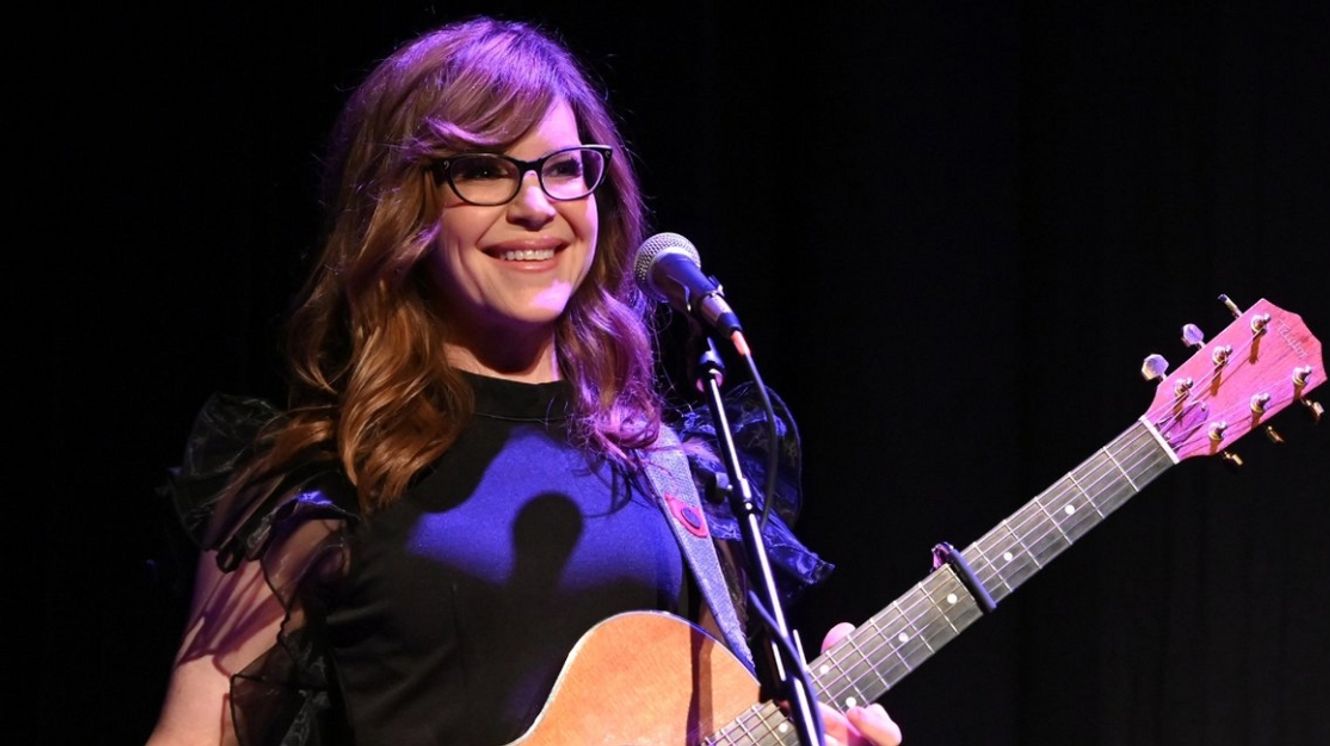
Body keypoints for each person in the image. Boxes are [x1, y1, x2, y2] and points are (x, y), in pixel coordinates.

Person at [147, 16, 902, 746]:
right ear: (405, 205)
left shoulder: (669, 474)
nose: (536, 205)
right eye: (483, 170)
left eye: (564, 168)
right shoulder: (323, 477)